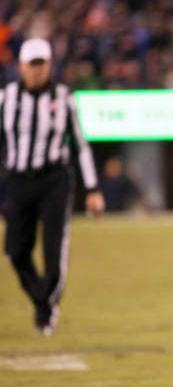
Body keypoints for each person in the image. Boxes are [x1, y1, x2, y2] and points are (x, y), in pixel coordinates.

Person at [1, 38, 105, 336]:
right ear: (20, 67)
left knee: (53, 251)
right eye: (30, 65)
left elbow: (80, 146)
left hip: (53, 181)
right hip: (18, 180)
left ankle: (45, 312)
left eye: (41, 65)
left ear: (49, 65)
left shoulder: (63, 98)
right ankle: (43, 301)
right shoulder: (6, 99)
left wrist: (94, 189)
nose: (35, 71)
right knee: (15, 251)